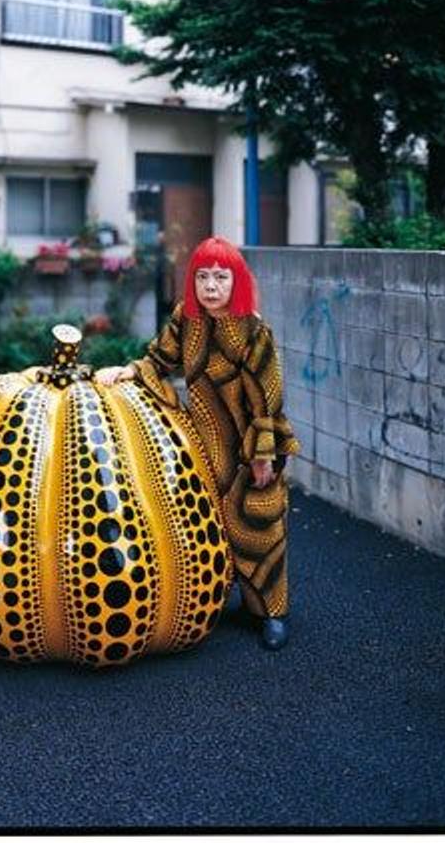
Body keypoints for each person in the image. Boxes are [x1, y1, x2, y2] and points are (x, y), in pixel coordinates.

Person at [95, 236, 299, 650]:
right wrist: (129, 370)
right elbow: (159, 360)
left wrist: (263, 455)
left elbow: (268, 396)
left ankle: (271, 611)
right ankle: (218, 599)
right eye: (202, 277)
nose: (210, 286)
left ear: (236, 281)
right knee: (208, 521)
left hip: (249, 444)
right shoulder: (186, 319)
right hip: (202, 440)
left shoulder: (254, 330)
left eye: (220, 278)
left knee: (258, 523)